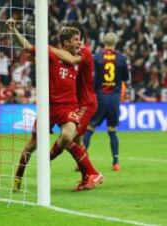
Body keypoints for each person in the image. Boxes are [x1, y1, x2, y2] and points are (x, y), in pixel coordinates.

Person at [7, 18, 103, 192]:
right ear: (66, 43)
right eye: (75, 40)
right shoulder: (51, 55)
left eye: (80, 39)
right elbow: (28, 47)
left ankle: (51, 161)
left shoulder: (78, 57)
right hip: (49, 108)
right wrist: (14, 31)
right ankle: (18, 177)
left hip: (69, 106)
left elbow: (73, 60)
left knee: (68, 136)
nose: (79, 43)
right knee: (31, 146)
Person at [49, 21, 98, 172]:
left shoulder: (84, 51)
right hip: (76, 102)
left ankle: (91, 173)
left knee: (68, 137)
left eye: (76, 38)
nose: (75, 42)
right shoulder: (75, 51)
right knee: (78, 140)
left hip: (86, 102)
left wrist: (48, 48)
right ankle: (86, 174)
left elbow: (70, 60)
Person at [83, 33, 130, 171]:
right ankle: (115, 162)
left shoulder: (97, 57)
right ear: (115, 42)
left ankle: (82, 162)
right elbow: (126, 78)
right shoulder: (121, 58)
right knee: (112, 130)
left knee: (90, 128)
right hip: (114, 98)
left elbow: (93, 78)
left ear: (104, 42)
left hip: (100, 96)